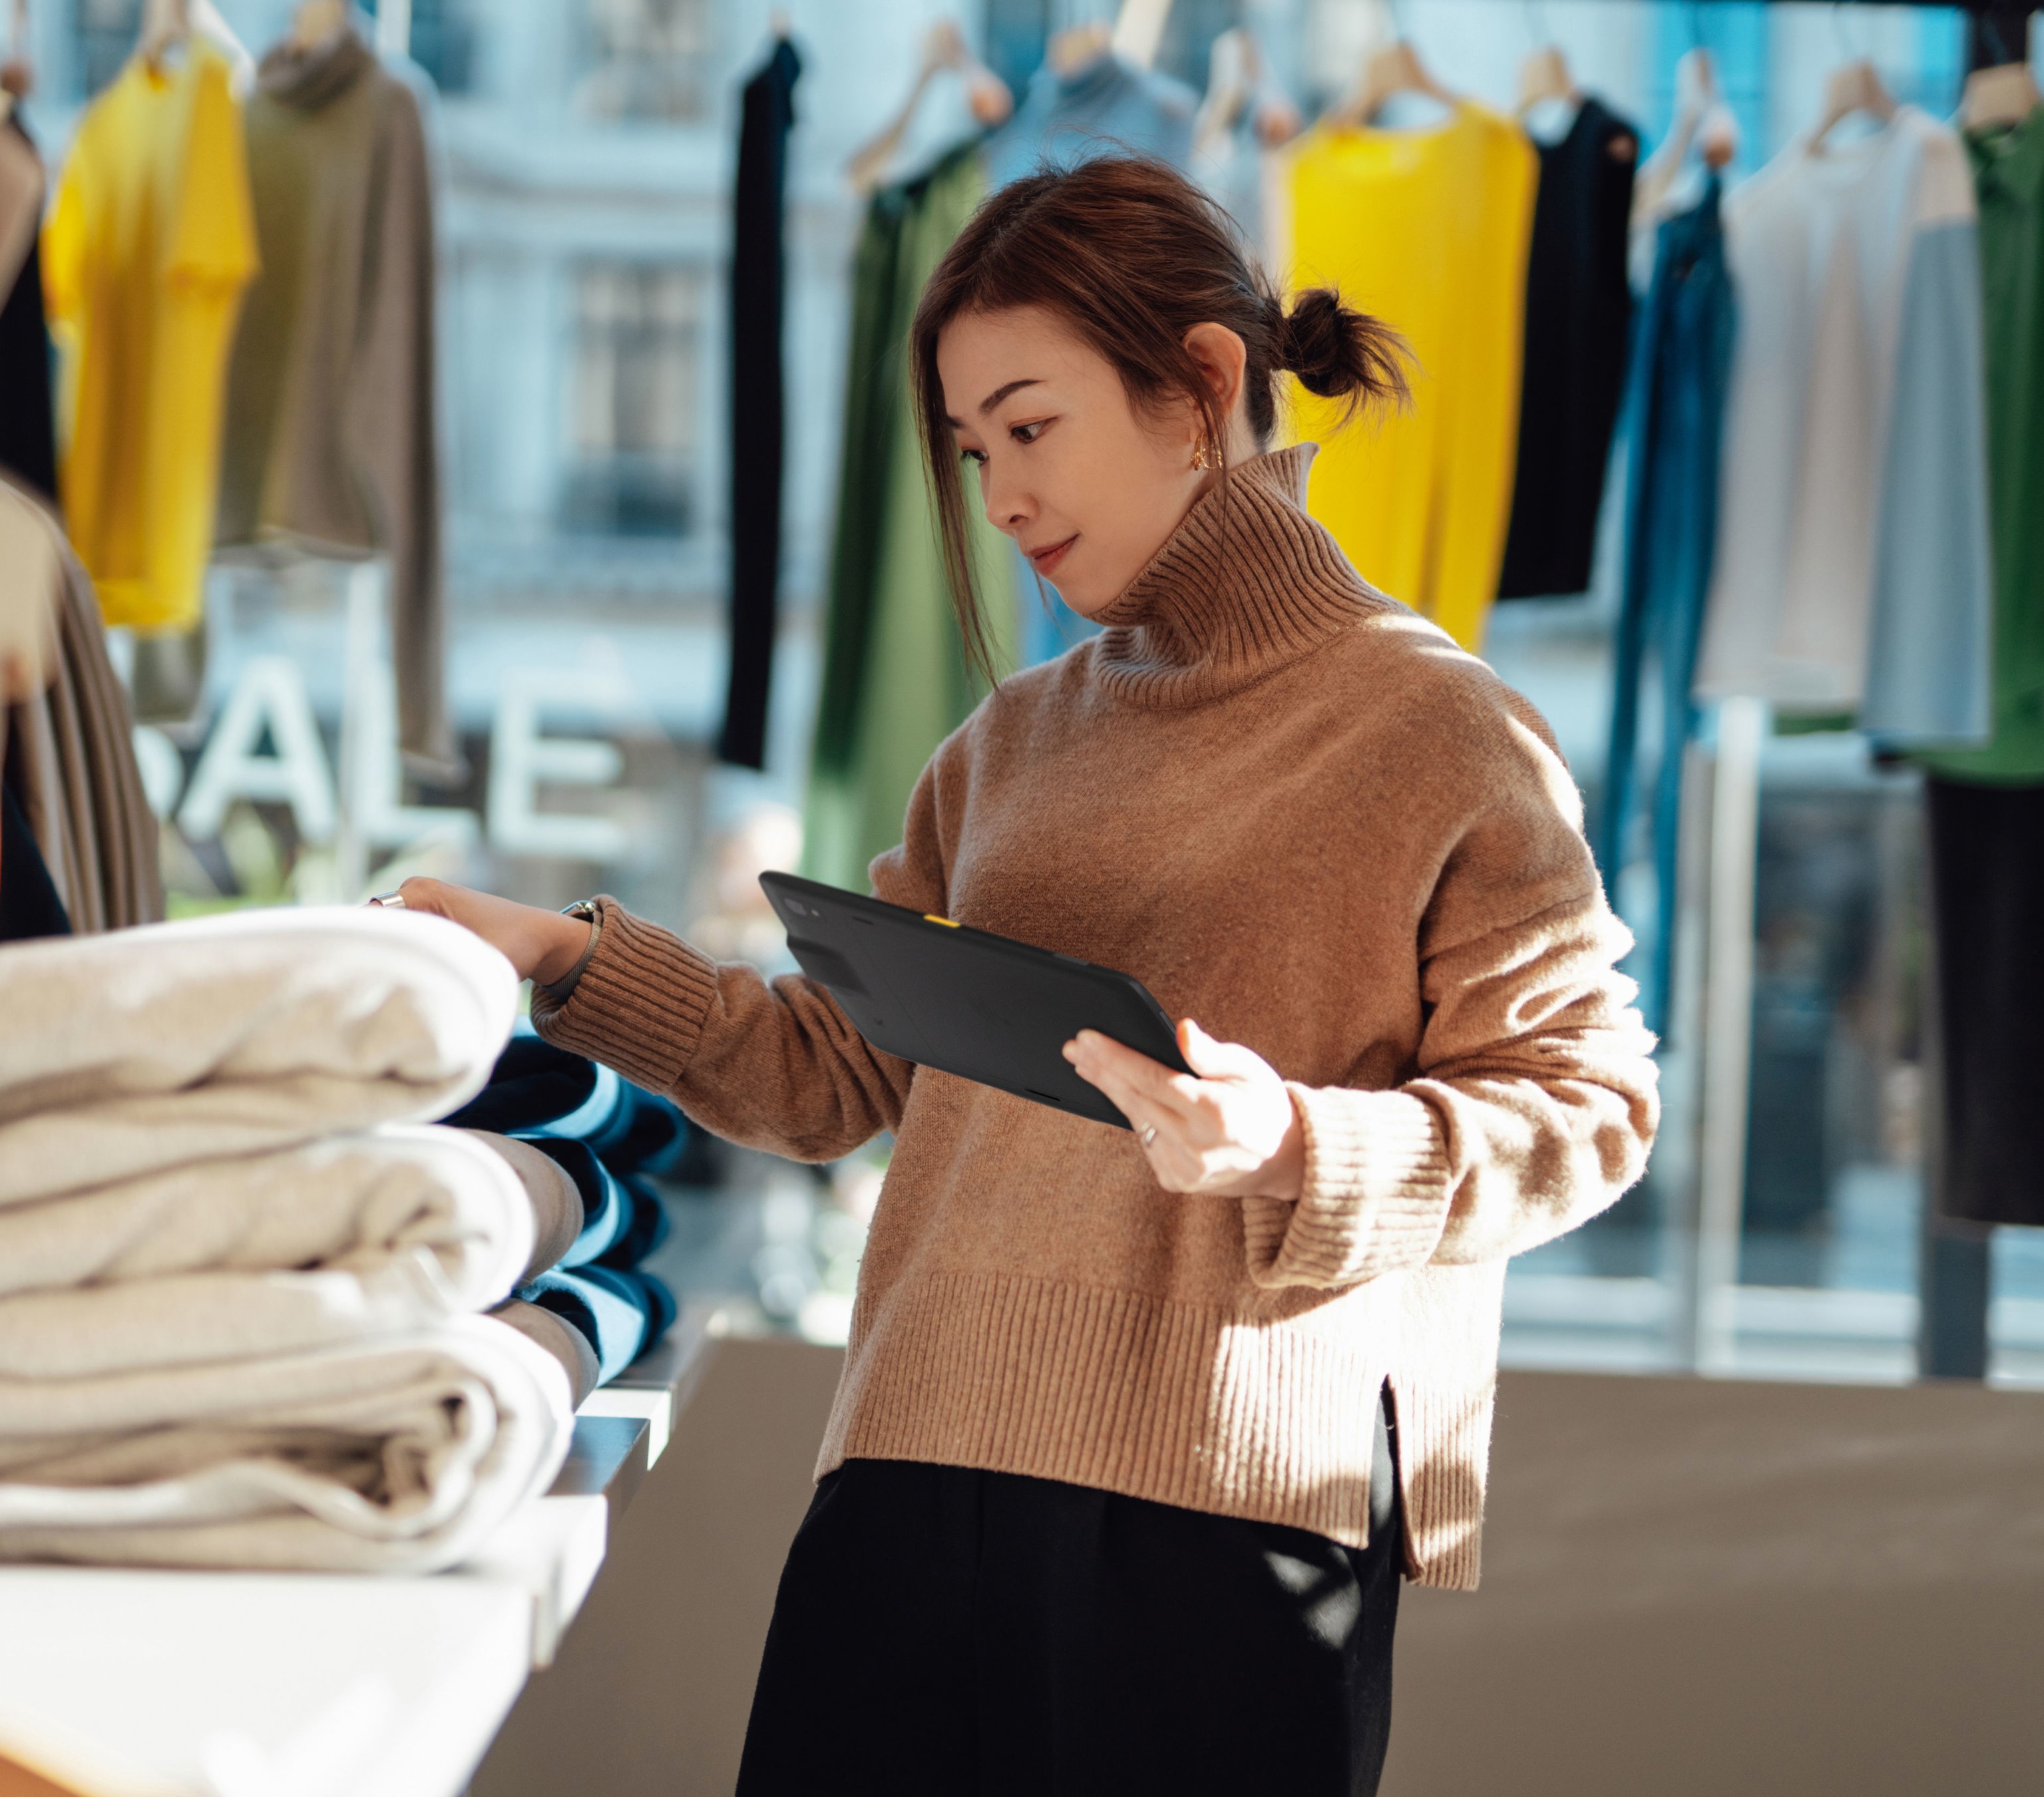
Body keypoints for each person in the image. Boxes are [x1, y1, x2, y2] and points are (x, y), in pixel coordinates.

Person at [390, 156, 1657, 1796]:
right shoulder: (1010, 740)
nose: (996, 493)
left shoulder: (1439, 726)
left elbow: (1594, 1108)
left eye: (1030, 425)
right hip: (911, 1471)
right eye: (972, 446)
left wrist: (1295, 1146)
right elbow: (830, 1080)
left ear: (1201, 384)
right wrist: (559, 953)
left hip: (1228, 1520)